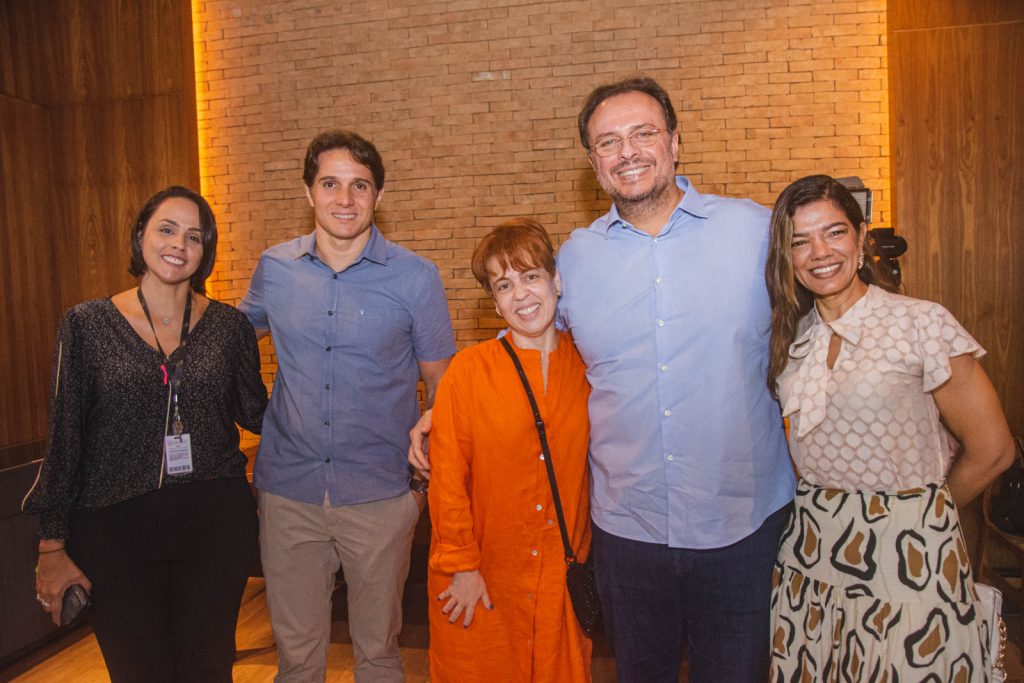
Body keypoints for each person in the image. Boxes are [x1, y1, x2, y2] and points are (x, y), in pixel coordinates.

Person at [411, 76, 796, 682]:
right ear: (594, 163)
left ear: (675, 141)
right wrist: (445, 410)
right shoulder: (577, 260)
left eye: (643, 133)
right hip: (628, 530)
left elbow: (819, 321)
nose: (628, 152)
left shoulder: (754, 231)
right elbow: (534, 346)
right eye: (608, 142)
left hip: (738, 526)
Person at [765, 174, 1015, 680]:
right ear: (786, 257)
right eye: (800, 240)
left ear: (860, 238)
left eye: (834, 232)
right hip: (812, 555)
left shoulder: (920, 323)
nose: (819, 251)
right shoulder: (793, 340)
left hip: (908, 558)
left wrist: (920, 516)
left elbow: (994, 450)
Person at [24, 185, 268, 682]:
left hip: (213, 525)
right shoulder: (86, 325)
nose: (179, 243)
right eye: (166, 228)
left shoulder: (229, 327)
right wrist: (51, 545)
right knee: (139, 672)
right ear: (140, 236)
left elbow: (258, 414)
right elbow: (65, 437)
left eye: (194, 236)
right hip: (115, 531)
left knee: (208, 669)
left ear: (206, 252)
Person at [238, 130, 455, 682]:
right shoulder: (275, 269)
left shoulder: (416, 277)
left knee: (379, 654)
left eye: (360, 185)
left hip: (381, 496)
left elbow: (443, 384)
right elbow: (230, 344)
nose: (345, 198)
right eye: (330, 183)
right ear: (308, 192)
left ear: (378, 196)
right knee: (297, 659)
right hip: (289, 492)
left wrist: (426, 486)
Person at [426, 219, 592, 682]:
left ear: (556, 281)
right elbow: (447, 477)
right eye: (504, 284)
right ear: (495, 301)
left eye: (531, 276)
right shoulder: (468, 372)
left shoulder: (589, 366)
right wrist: (461, 566)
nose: (520, 294)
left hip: (560, 580)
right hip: (481, 580)